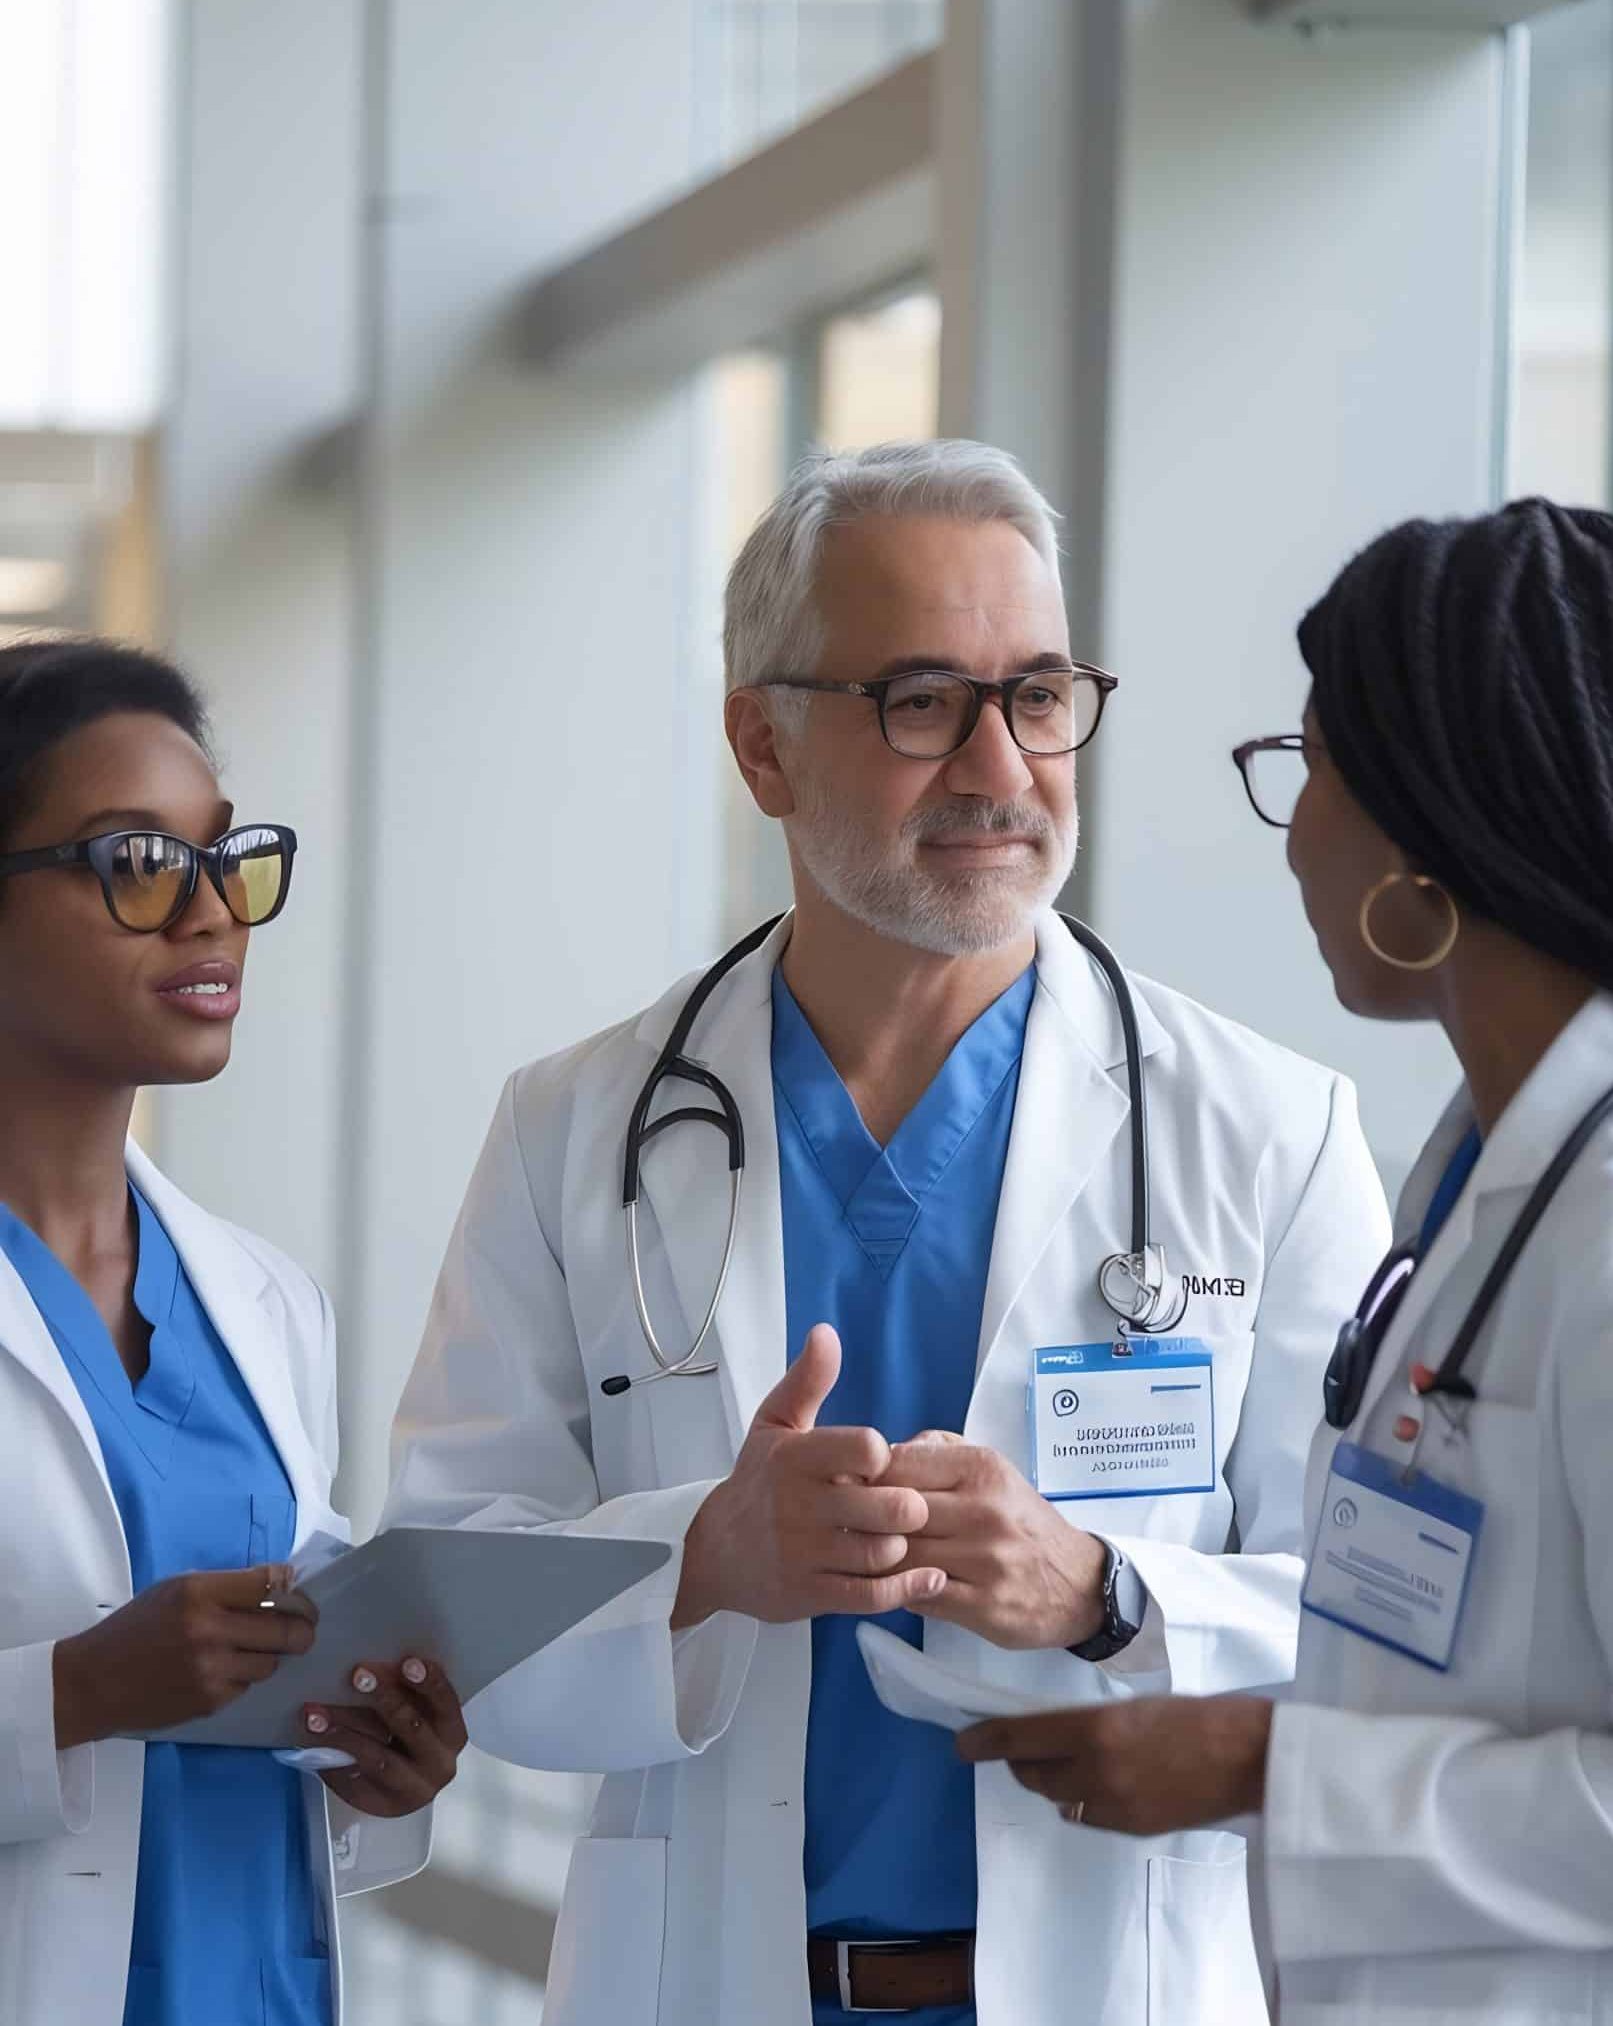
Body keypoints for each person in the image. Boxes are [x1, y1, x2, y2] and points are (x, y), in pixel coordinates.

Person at [383, 439, 1388, 2026]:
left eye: (1039, 695)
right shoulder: (568, 1128)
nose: (1001, 769)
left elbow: (1381, 1634)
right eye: (923, 702)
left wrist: (1103, 1591)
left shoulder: (1269, 1129)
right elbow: (444, 1611)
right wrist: (698, 1559)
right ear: (762, 748)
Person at [958, 497, 1613, 2024]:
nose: (1294, 829)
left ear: (1425, 842)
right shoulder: (1488, 1178)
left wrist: (1269, 1768)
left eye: (1306, 768)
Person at [0, 638, 468, 2026]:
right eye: (138, 862)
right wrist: (75, 1690)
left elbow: (274, 1746)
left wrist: (374, 1758)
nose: (210, 914)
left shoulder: (263, 1301)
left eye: (224, 860)